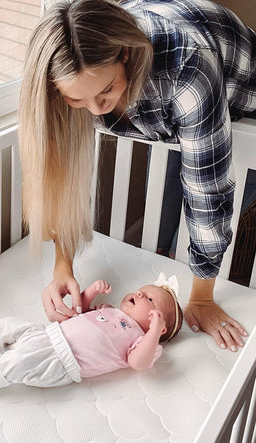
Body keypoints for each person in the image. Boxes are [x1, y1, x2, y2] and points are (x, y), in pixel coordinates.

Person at [18, 0, 255, 353]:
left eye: (106, 91)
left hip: (241, 87)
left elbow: (209, 193)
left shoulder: (187, 69)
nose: (97, 110)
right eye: (77, 100)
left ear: (125, 55)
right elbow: (63, 175)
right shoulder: (71, 86)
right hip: (175, 96)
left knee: (240, 214)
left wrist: (202, 299)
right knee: (169, 192)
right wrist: (62, 266)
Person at [0, 275, 183, 390]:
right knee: (7, 324)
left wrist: (152, 334)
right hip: (49, 334)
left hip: (62, 360)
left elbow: (137, 363)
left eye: (150, 299)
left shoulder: (142, 341)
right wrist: (91, 292)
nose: (140, 294)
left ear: (160, 326)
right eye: (141, 290)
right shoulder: (110, 310)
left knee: (19, 361)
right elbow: (82, 314)